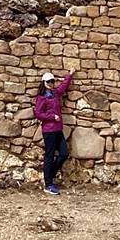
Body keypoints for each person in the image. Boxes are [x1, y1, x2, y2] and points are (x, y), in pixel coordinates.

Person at [34, 68, 74, 196]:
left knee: (64, 153)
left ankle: (50, 175)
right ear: (43, 83)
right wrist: (52, 117)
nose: (51, 84)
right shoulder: (41, 98)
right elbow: (38, 114)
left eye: (52, 81)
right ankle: (48, 184)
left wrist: (70, 75)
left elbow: (63, 86)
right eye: (48, 82)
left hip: (58, 129)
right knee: (49, 156)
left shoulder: (55, 93)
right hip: (49, 130)